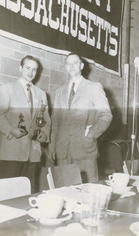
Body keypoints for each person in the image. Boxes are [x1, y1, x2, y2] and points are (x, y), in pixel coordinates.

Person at [50, 53, 112, 182]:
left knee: (87, 193)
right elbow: (55, 121)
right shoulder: (59, 92)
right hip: (63, 152)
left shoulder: (93, 87)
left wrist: (91, 133)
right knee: (64, 192)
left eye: (75, 63)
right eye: (68, 64)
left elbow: (105, 115)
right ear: (66, 67)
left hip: (85, 150)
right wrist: (52, 146)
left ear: (82, 66)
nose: (71, 66)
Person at [0, 55, 51, 193]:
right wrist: (11, 129)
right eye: (27, 68)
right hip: (13, 151)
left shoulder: (41, 94)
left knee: (28, 194)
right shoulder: (7, 89)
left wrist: (43, 134)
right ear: (20, 68)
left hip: (34, 154)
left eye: (34, 70)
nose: (31, 73)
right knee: (5, 194)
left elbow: (46, 120)